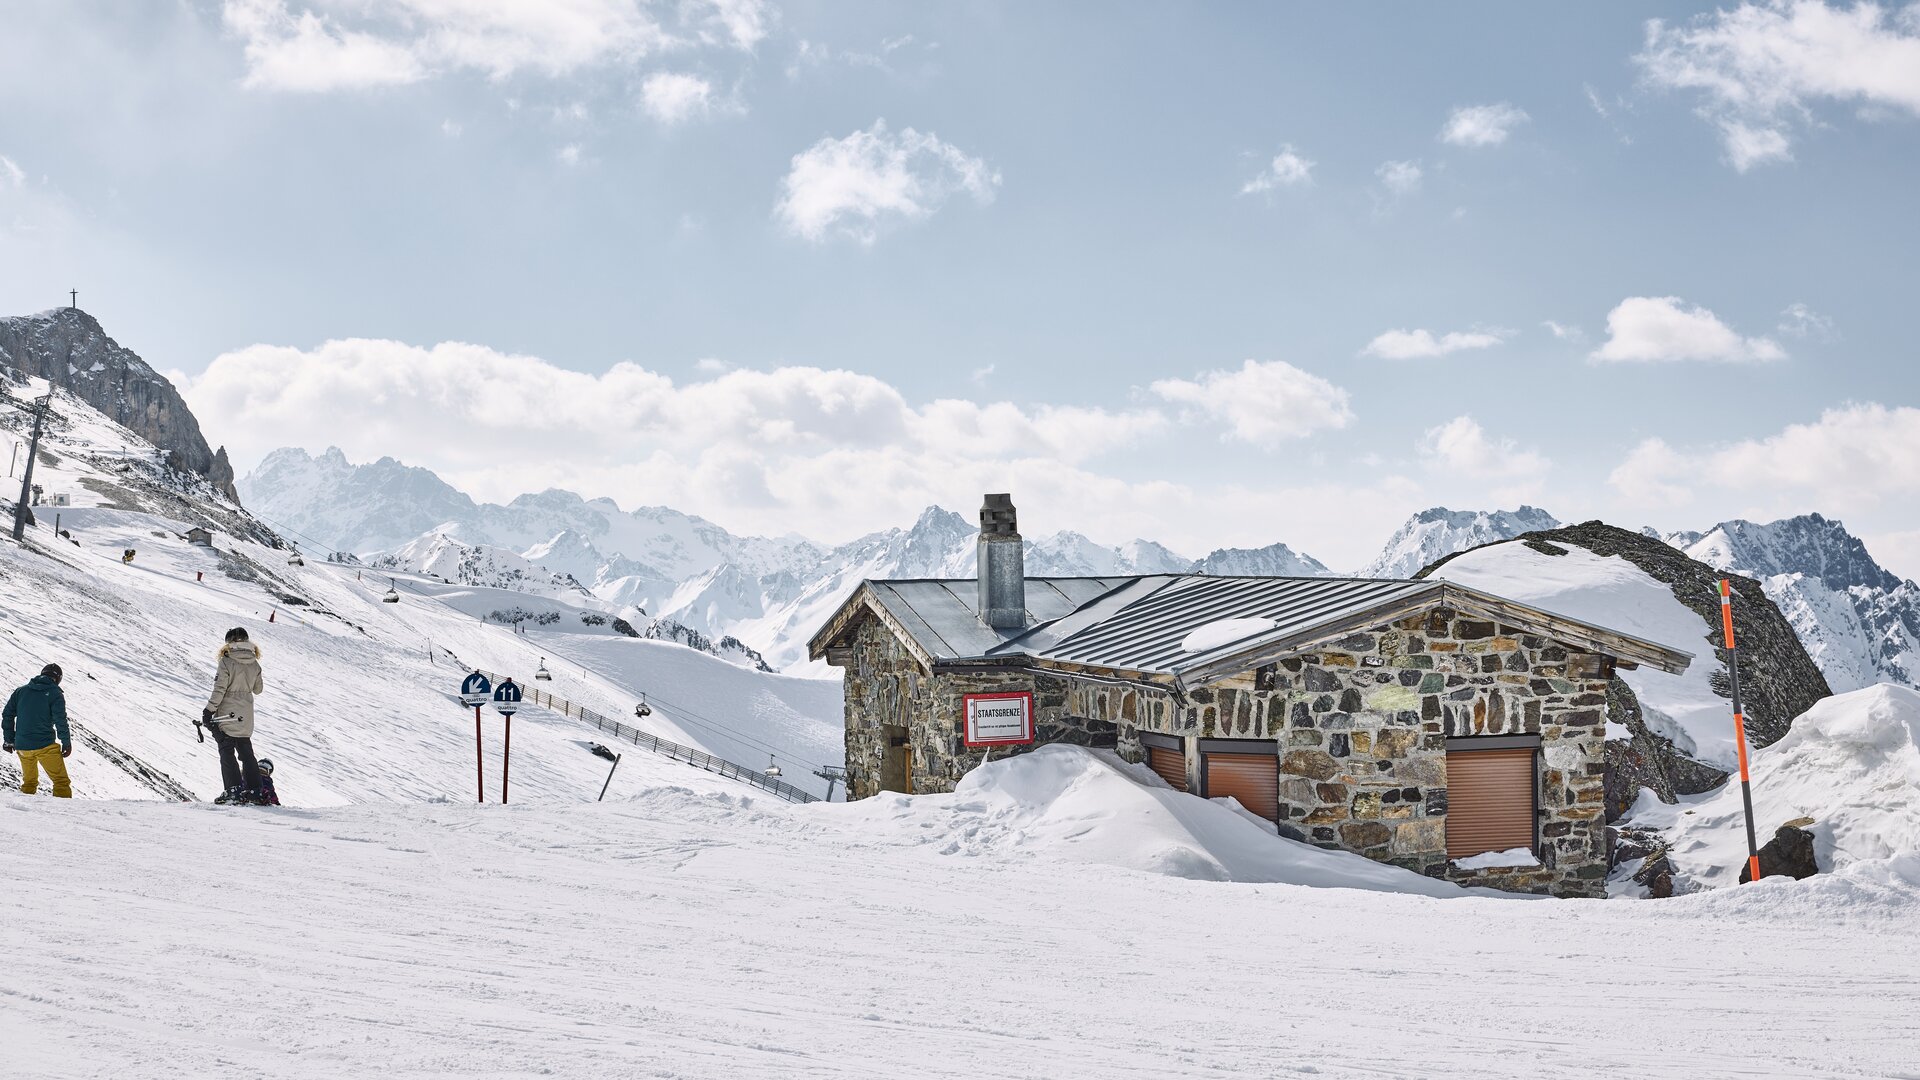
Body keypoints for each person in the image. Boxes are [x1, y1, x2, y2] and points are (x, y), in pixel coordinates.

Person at [204, 627, 266, 805]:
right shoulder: (254, 663)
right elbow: (258, 689)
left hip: (228, 714)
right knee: (246, 752)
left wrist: (208, 710)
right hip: (246, 715)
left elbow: (220, 689)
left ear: (229, 642)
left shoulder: (227, 661)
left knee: (226, 749)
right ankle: (255, 791)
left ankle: (233, 791)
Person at [3, 664, 73, 798]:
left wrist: (9, 740)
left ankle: (24, 810)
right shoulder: (55, 693)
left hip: (22, 747)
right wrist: (66, 743)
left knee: (29, 783)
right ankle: (63, 811)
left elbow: (7, 715)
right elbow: (60, 720)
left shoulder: (20, 691)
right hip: (45, 745)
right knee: (61, 782)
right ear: (58, 679)